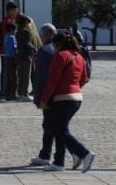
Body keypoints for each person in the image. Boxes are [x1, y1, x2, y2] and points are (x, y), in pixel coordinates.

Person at [38, 32, 95, 173]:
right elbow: (84, 78)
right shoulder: (79, 56)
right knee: (60, 129)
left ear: (58, 45)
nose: (53, 49)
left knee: (60, 130)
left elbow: (53, 81)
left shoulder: (60, 56)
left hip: (62, 98)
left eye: (54, 46)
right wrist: (75, 86)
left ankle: (84, 153)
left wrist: (44, 100)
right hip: (76, 97)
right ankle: (59, 162)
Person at [30, 23, 58, 166]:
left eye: (40, 36)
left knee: (50, 126)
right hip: (62, 93)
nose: (39, 39)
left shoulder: (45, 51)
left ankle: (45, 155)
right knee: (57, 126)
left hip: (49, 94)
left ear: (46, 35)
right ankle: (47, 154)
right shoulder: (59, 49)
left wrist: (39, 98)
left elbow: (41, 77)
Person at [0, 2, 19, 100]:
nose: (16, 12)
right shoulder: (8, 22)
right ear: (9, 10)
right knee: (6, 72)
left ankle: (4, 90)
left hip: (6, 50)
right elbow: (9, 37)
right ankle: (4, 91)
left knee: (5, 71)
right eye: (15, 10)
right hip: (6, 51)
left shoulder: (11, 20)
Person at [16, 14, 36, 102]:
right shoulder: (26, 31)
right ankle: (25, 93)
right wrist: (34, 48)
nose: (28, 25)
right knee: (26, 76)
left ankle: (20, 93)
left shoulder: (18, 31)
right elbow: (27, 43)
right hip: (26, 56)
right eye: (27, 23)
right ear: (25, 22)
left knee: (21, 76)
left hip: (20, 56)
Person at [3, 23, 19, 101]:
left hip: (7, 57)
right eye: (15, 29)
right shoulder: (12, 37)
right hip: (12, 58)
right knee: (14, 77)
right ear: (11, 29)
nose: (16, 31)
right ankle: (13, 94)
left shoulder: (6, 37)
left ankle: (8, 94)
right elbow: (14, 48)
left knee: (9, 76)